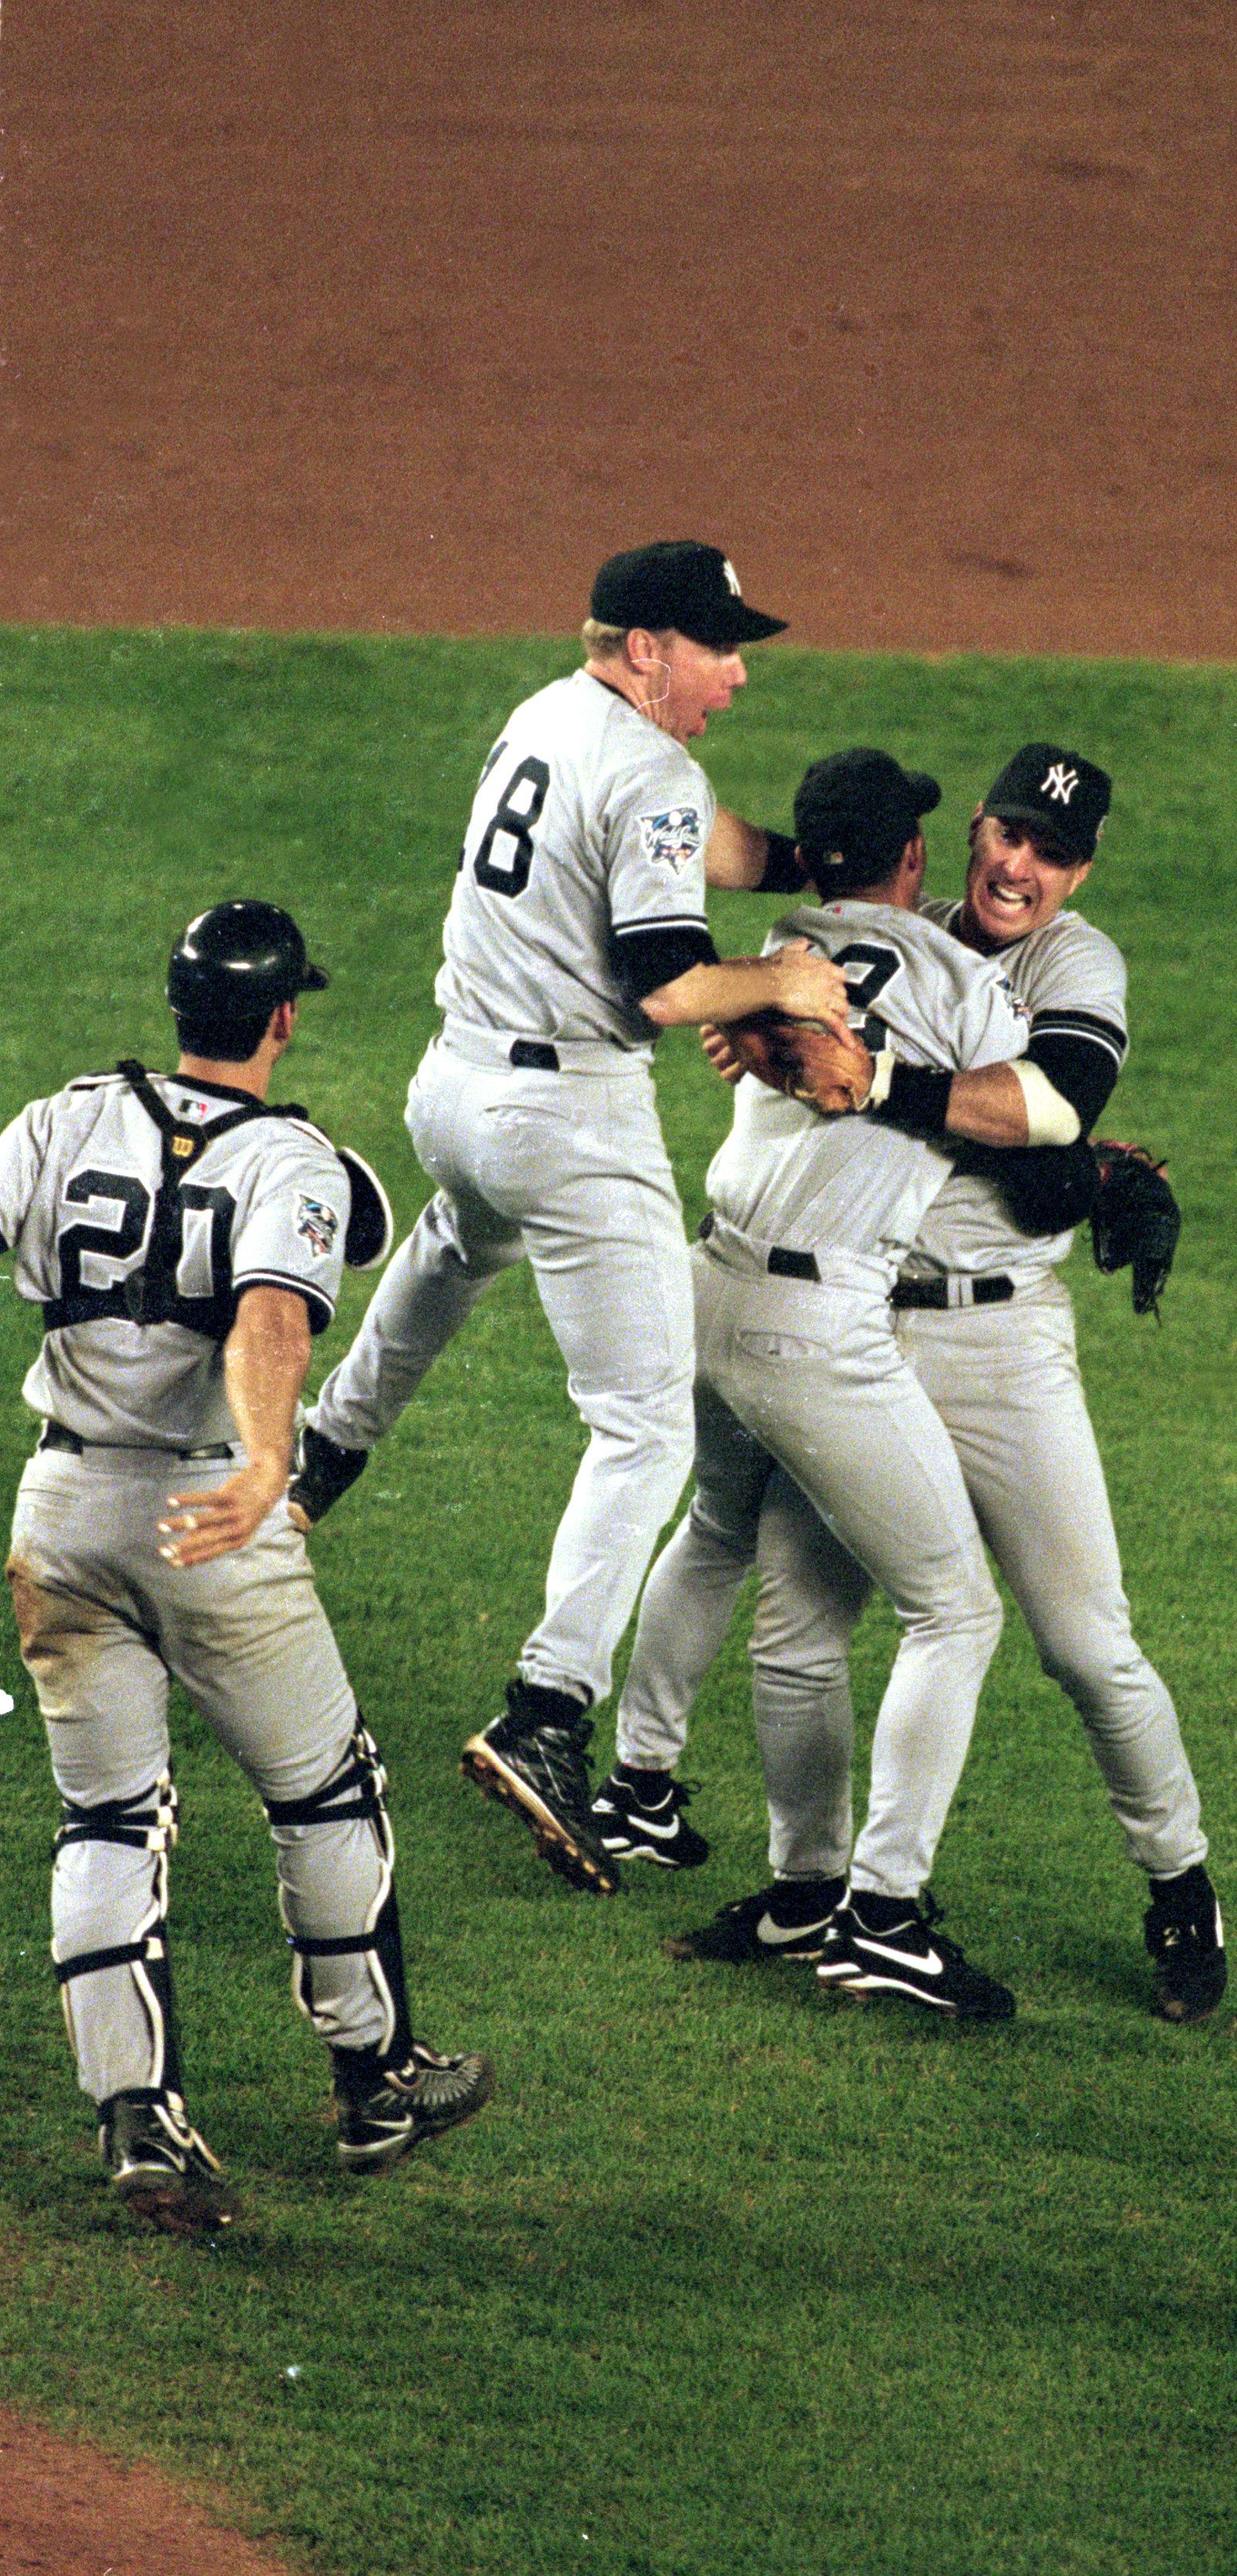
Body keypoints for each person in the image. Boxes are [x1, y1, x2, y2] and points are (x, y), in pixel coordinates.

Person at [610, 746, 1227, 2022]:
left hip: (999, 1348)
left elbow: (1054, 1118)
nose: (1018, 867)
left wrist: (863, 1073)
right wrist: (780, 1039)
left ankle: (1177, 1879)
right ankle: (816, 1892)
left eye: (1051, 855)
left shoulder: (1073, 966)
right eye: (1006, 835)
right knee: (800, 1622)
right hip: (855, 1332)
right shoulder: (904, 938)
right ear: (961, 839)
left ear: (1081, 871)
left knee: (1084, 1645)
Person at [286, 542, 852, 1901]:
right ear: (645, 647)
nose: (737, 670)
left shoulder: (553, 712)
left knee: (458, 1238)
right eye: (716, 646)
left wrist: (790, 858)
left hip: (454, 1083)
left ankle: (318, 1461)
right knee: (646, 1424)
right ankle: (547, 1714)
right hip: (566, 1118)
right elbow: (664, 986)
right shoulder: (651, 764)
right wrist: (787, 976)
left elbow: (679, 836)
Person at [1, 903, 494, 2236]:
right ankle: (377, 2078)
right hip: (209, 1511)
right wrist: (270, 1458)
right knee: (323, 1790)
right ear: (285, 1017)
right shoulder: (298, 1163)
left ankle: (136, 2116)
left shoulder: (59, 1120)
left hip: (59, 1510)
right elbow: (273, 1314)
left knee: (108, 1816)